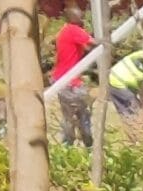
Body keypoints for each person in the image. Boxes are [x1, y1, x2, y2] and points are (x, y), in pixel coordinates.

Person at [51, 4, 95, 149]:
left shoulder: (65, 31)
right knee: (82, 113)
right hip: (70, 81)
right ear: (74, 18)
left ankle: (67, 146)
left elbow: (86, 47)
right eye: (80, 15)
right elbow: (93, 43)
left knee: (69, 115)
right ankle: (87, 144)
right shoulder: (73, 30)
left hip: (63, 79)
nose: (82, 18)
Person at [108, 43, 143, 119]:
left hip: (110, 80)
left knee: (122, 109)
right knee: (135, 107)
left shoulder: (134, 56)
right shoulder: (141, 75)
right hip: (119, 84)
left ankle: (128, 123)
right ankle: (139, 123)